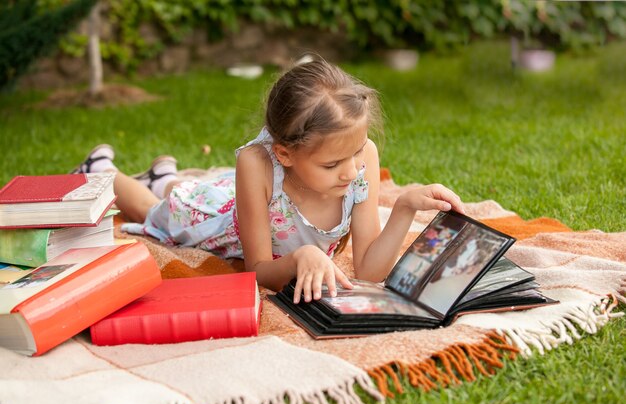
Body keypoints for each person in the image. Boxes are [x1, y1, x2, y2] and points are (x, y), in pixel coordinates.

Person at [73, 59, 465, 303]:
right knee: (161, 211)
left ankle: (164, 176)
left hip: (248, 197)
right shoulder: (256, 163)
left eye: (356, 154)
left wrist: (403, 209)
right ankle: (101, 172)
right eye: (331, 165)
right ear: (285, 154)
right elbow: (254, 270)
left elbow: (367, 271)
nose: (350, 172)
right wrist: (295, 260)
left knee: (187, 189)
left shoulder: (361, 162)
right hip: (219, 219)